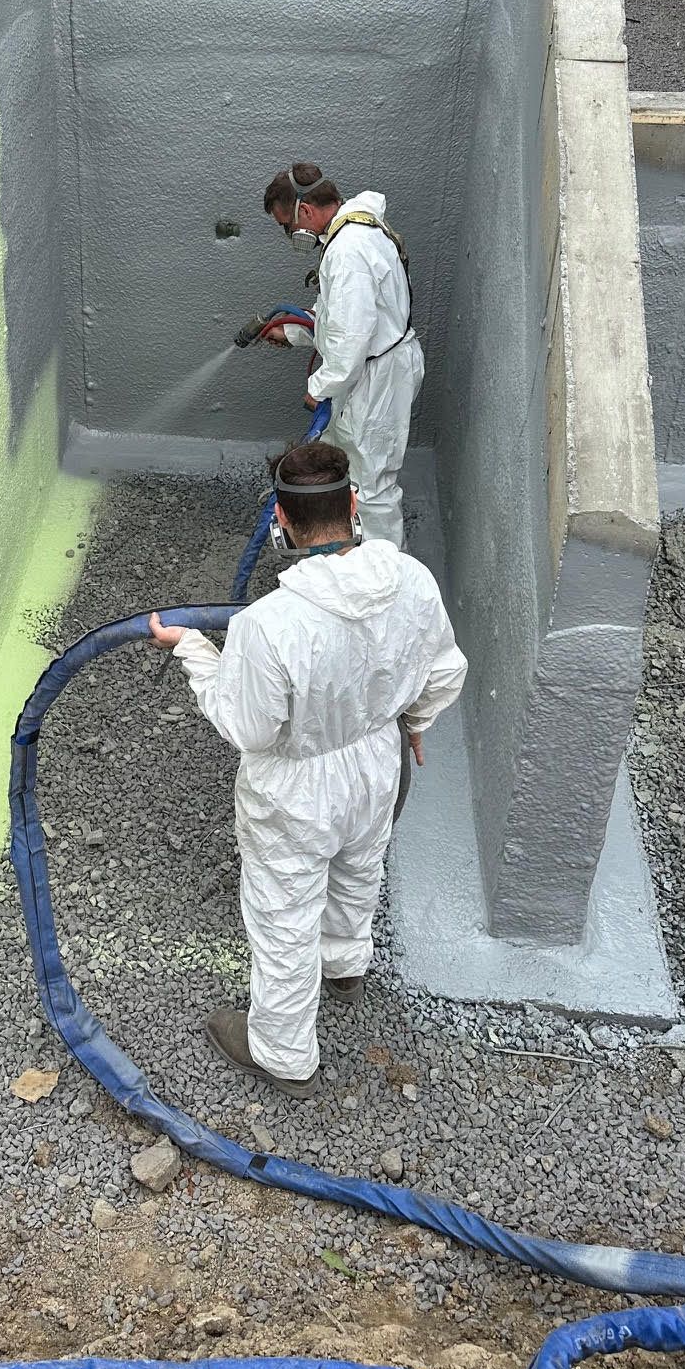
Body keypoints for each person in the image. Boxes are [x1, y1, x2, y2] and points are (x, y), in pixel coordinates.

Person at [148, 440, 466, 1099]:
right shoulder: (412, 581)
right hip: (376, 760)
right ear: (354, 504)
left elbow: (248, 728)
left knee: (284, 913)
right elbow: (443, 669)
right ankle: (345, 965)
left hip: (294, 789)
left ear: (282, 521)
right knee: (359, 866)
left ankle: (284, 1053)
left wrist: (196, 652)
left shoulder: (269, 624)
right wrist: (413, 723)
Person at [262, 162, 423, 549]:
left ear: (305, 210)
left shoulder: (348, 251)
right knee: (341, 460)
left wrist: (318, 387)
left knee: (372, 485)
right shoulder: (354, 234)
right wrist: (293, 332)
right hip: (371, 369)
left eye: (287, 225)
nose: (290, 235)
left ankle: (385, 571)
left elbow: (351, 341)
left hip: (377, 381)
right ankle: (344, 548)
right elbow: (343, 319)